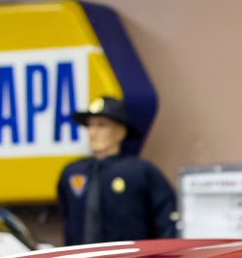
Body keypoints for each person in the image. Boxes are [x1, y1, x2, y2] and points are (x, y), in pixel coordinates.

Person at [56, 96, 178, 244]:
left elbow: (166, 220)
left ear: (120, 132)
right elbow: (67, 217)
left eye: (101, 125)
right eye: (90, 126)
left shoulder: (140, 171)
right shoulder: (73, 172)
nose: (93, 132)